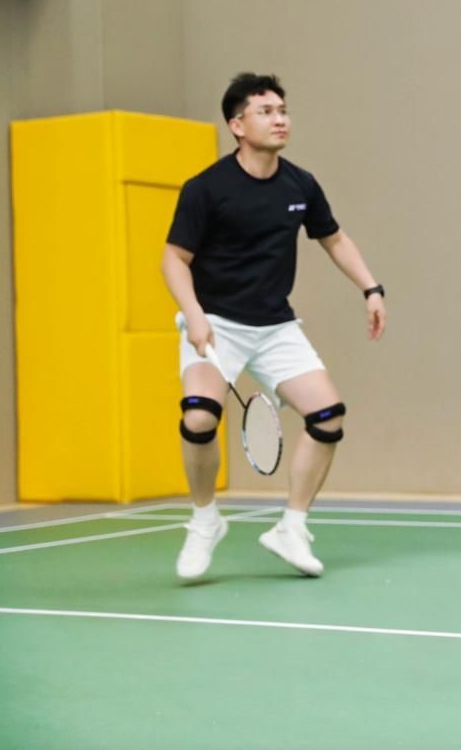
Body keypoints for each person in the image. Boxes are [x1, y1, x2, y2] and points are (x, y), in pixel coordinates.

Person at [161, 72, 386, 581]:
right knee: (199, 417)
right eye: (265, 111)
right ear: (237, 125)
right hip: (215, 322)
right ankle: (204, 520)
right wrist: (193, 315)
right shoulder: (206, 188)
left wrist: (371, 288)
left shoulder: (300, 185)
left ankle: (291, 527)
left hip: (275, 326)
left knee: (328, 417)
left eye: (282, 110)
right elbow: (173, 258)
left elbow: (334, 239)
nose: (280, 119)